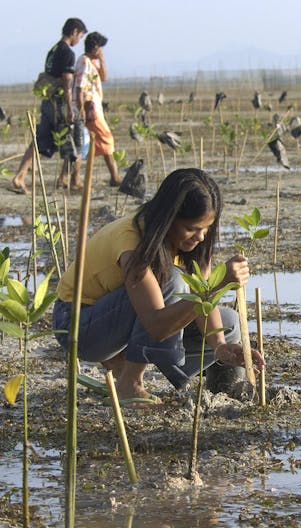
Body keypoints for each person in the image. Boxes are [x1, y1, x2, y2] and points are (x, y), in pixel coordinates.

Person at [52, 168, 260, 403]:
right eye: (192, 228)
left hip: (122, 319)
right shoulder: (131, 240)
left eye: (207, 229)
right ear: (168, 219)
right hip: (79, 325)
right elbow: (156, 325)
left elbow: (200, 298)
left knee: (228, 324)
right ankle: (129, 383)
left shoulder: (194, 246)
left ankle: (122, 364)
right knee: (171, 279)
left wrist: (220, 346)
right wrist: (219, 284)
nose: (200, 237)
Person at [11, 18, 87, 195]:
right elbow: (67, 82)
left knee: (39, 141)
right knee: (75, 137)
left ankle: (20, 176)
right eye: (80, 36)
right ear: (74, 32)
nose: (79, 40)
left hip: (47, 103)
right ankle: (68, 178)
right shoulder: (67, 52)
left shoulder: (53, 50)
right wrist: (70, 108)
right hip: (60, 103)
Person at [74, 31, 121, 187]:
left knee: (83, 142)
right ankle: (114, 177)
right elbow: (80, 87)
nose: (101, 51)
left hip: (94, 107)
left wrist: (101, 58)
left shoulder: (92, 62)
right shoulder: (84, 62)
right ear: (95, 47)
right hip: (89, 108)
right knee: (104, 138)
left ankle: (72, 177)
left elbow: (103, 77)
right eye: (100, 48)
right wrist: (81, 110)